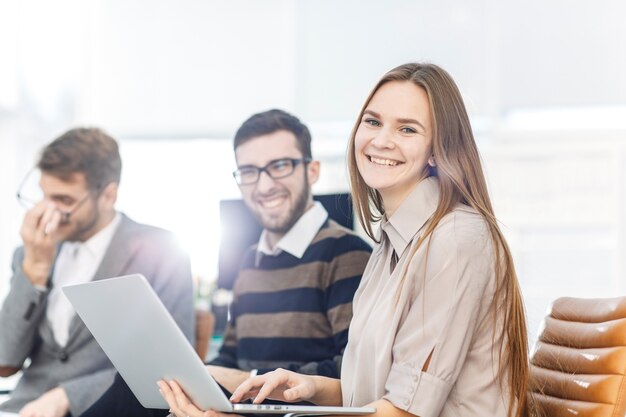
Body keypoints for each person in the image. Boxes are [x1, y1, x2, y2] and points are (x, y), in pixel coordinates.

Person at [159, 63, 534, 417]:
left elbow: (403, 411)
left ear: (437, 151)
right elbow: (370, 396)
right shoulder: (389, 246)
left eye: (407, 129)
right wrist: (309, 386)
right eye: (373, 122)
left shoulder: (455, 238)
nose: (381, 140)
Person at [81, 109, 372, 416]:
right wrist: (199, 378)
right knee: (147, 385)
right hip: (241, 406)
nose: (263, 186)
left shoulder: (346, 253)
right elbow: (231, 357)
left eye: (280, 166)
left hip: (290, 412)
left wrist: (247, 381)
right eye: (249, 171)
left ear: (312, 170)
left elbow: (350, 372)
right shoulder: (250, 260)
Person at [0, 128, 194, 417]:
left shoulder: (161, 252)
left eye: (64, 201)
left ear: (108, 195)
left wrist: (69, 395)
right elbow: (5, 361)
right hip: (24, 409)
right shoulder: (29, 253)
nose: (47, 211)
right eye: (43, 195)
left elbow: (173, 368)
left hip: (107, 409)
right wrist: (34, 270)